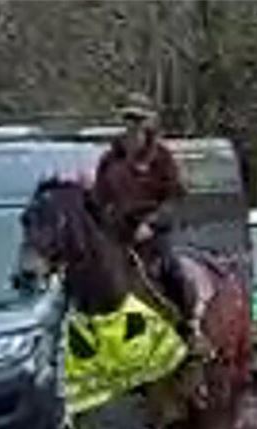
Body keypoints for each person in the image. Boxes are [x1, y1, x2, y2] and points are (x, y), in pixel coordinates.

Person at [92, 92, 202, 350]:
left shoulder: (161, 158)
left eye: (138, 119)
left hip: (153, 234)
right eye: (128, 118)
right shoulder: (109, 159)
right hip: (118, 234)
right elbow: (99, 198)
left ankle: (188, 328)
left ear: (149, 123)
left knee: (175, 271)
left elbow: (175, 197)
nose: (133, 125)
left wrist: (151, 223)